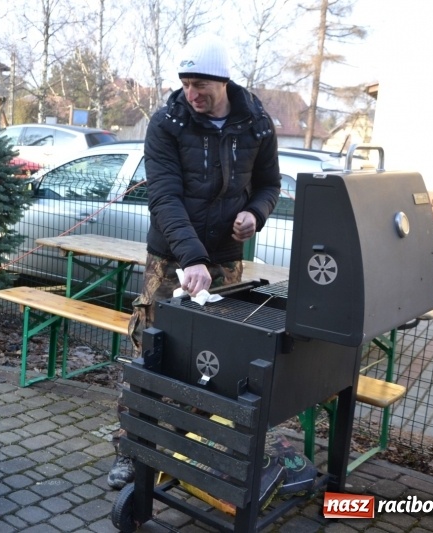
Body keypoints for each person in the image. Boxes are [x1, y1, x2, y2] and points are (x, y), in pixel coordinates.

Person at [107, 34, 283, 489]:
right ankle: (132, 448)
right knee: (151, 354)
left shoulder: (258, 125)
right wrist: (191, 258)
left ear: (223, 80)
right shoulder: (166, 123)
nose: (191, 94)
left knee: (214, 364)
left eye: (200, 83)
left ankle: (187, 444)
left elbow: (269, 185)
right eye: (185, 83)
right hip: (170, 262)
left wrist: (254, 214)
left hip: (226, 265)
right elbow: (163, 197)